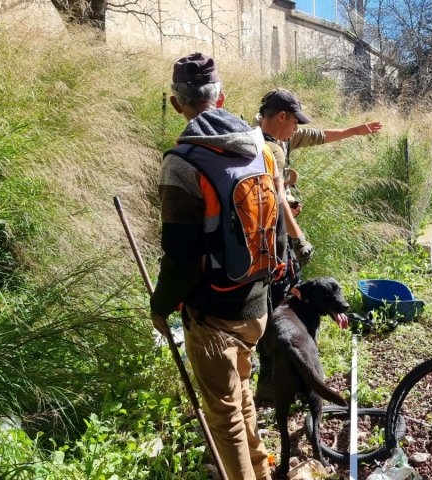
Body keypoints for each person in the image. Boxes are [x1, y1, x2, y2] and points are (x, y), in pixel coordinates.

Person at [150, 52, 285, 480]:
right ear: (222, 97)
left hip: (214, 316)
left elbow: (180, 255)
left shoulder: (182, 163)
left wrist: (160, 307)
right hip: (256, 308)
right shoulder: (261, 147)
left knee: (224, 422)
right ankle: (262, 473)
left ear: (177, 104)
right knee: (241, 395)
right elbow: (276, 220)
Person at [254, 88, 382, 402]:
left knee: (287, 297)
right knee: (276, 308)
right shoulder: (268, 148)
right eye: (294, 122)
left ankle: (287, 380)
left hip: (272, 234)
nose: (298, 129)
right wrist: (299, 239)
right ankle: (273, 388)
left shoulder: (281, 136)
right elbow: (277, 198)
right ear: (282, 116)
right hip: (269, 240)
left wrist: (356, 131)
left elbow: (319, 135)